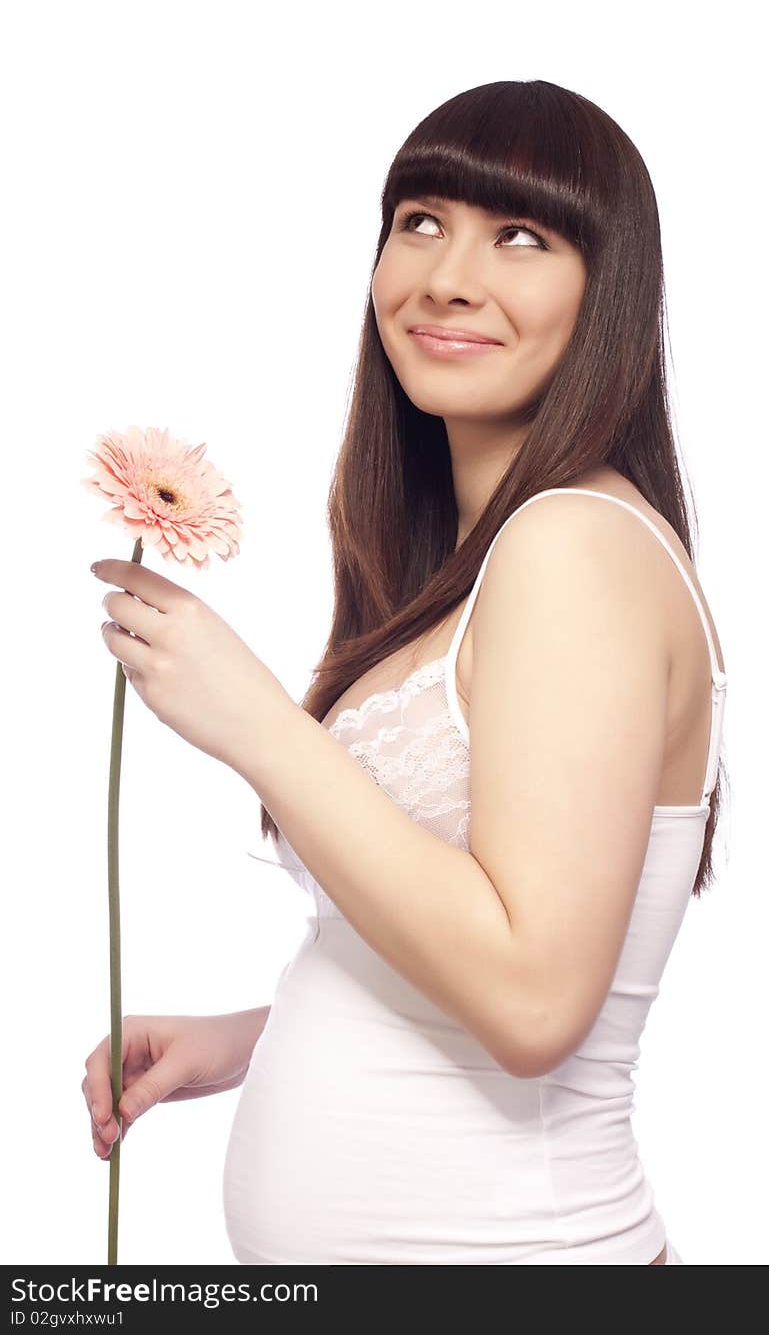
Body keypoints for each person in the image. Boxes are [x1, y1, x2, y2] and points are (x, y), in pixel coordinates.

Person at [82, 79, 727, 1265]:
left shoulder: (573, 547)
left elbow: (536, 1003)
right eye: (420, 219)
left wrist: (261, 726)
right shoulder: (490, 557)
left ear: (610, 290)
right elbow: (476, 948)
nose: (447, 276)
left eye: (520, 237)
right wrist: (251, 1041)